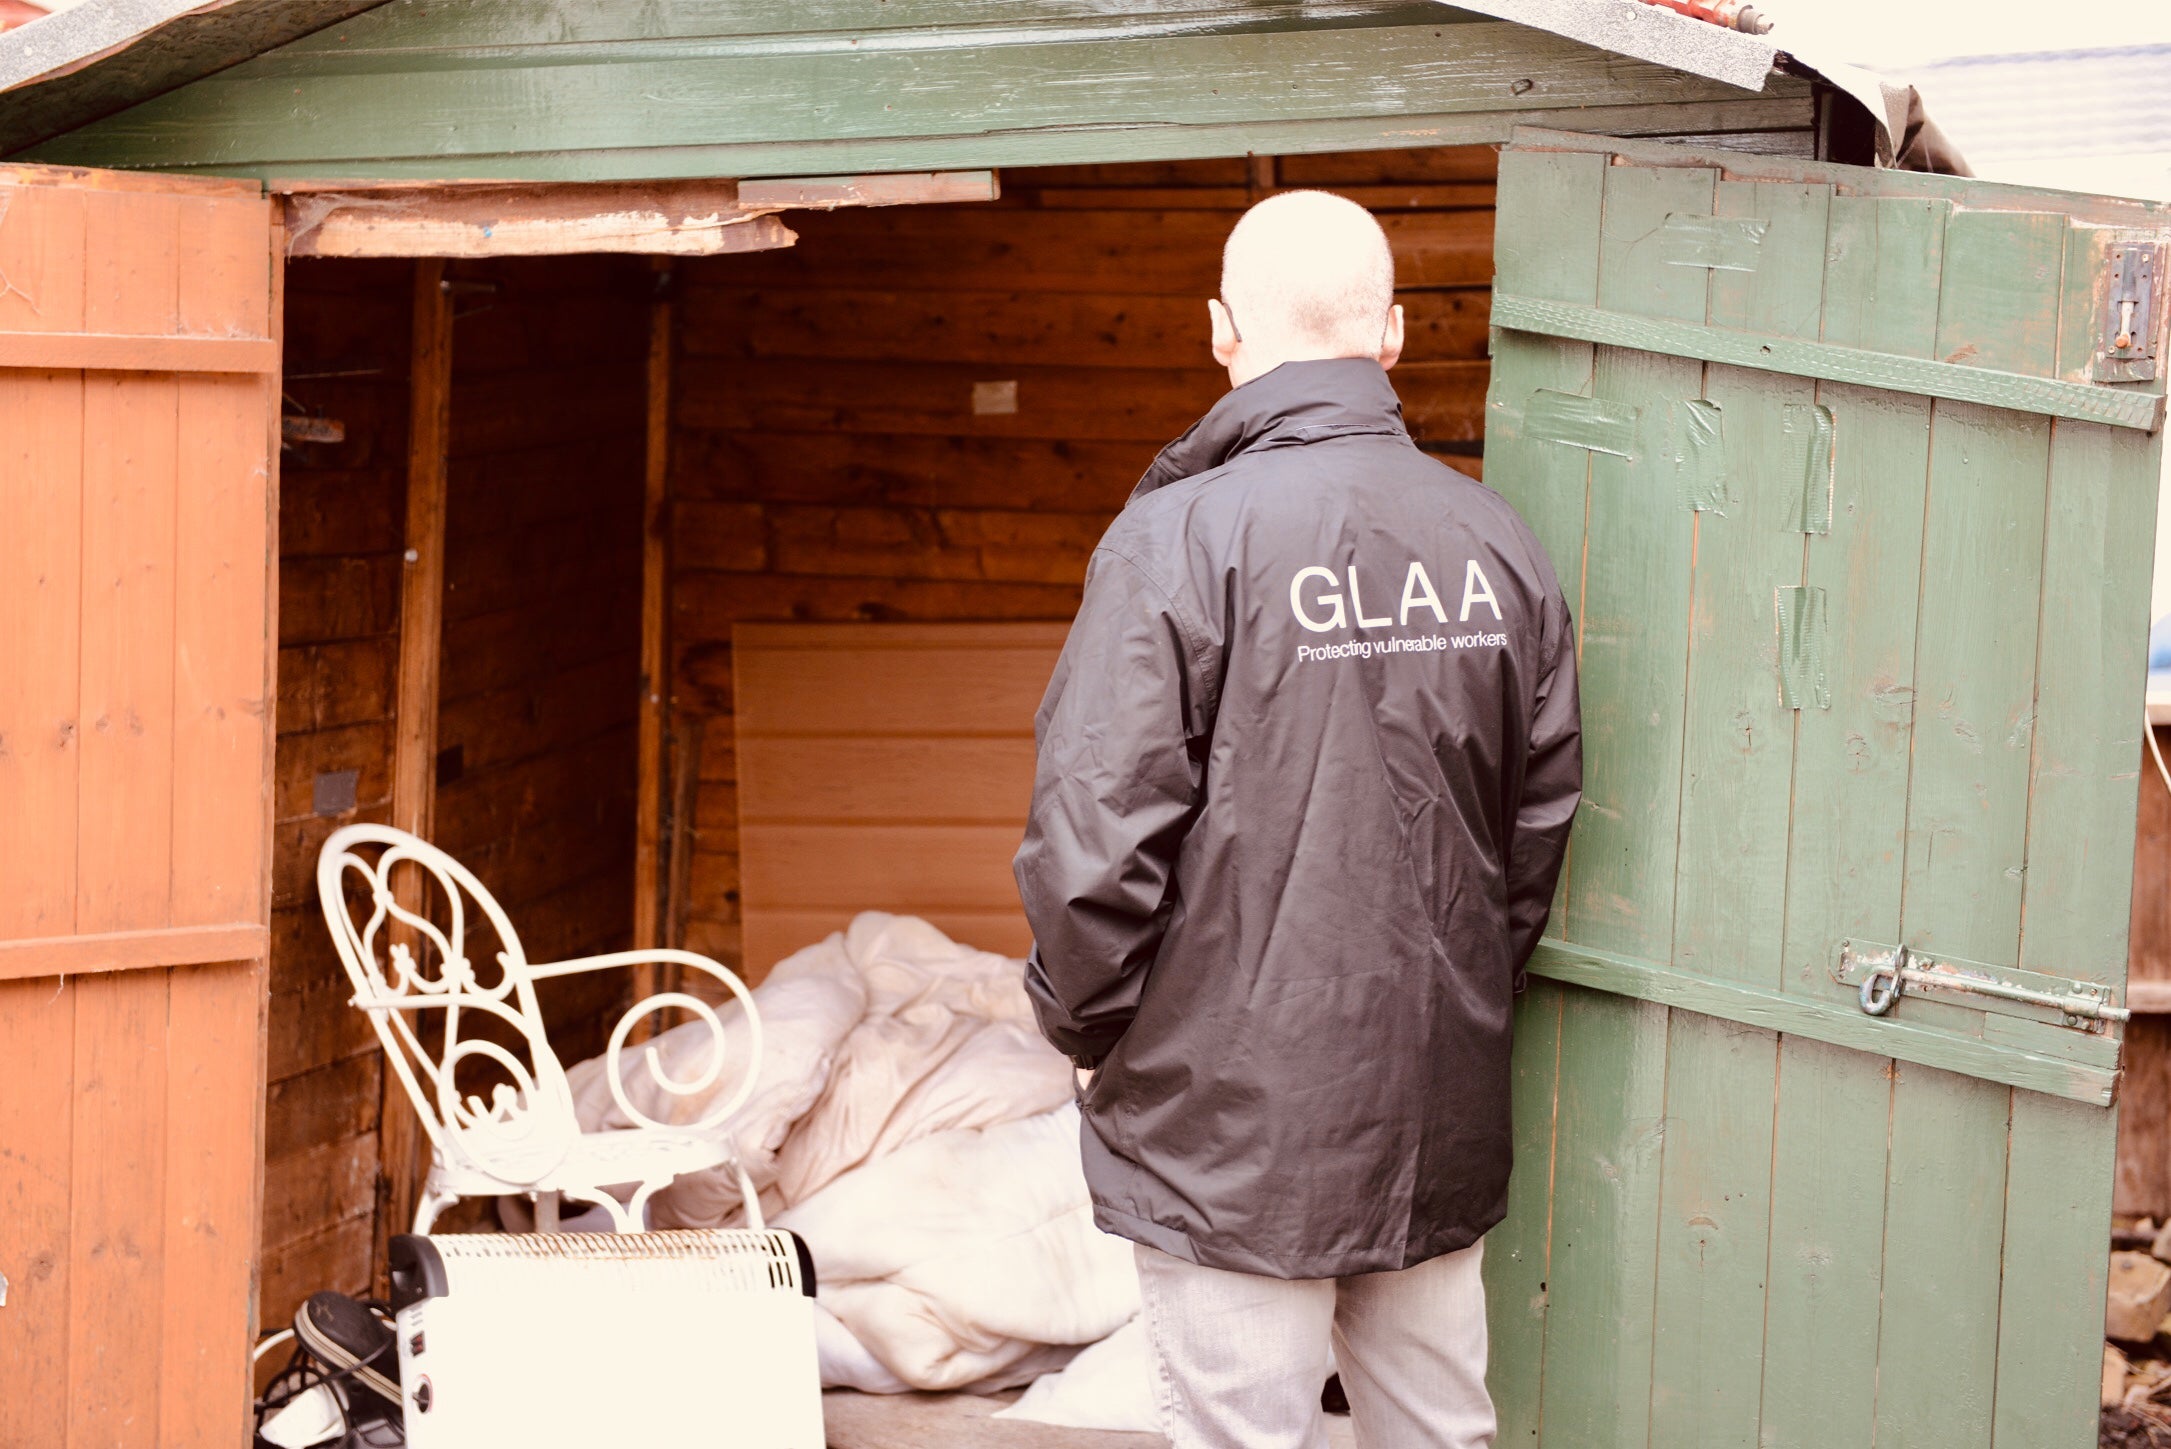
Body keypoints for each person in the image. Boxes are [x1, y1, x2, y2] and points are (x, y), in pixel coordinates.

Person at [1012, 189, 1583, 1449]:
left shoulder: (1174, 541)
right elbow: (1531, 836)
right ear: (1390, 335)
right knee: (1438, 1428)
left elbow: (1096, 840)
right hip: (1431, 1097)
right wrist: (1458, 1003)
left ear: (1220, 331)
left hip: (1224, 1120)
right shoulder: (1495, 541)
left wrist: (1082, 1022)